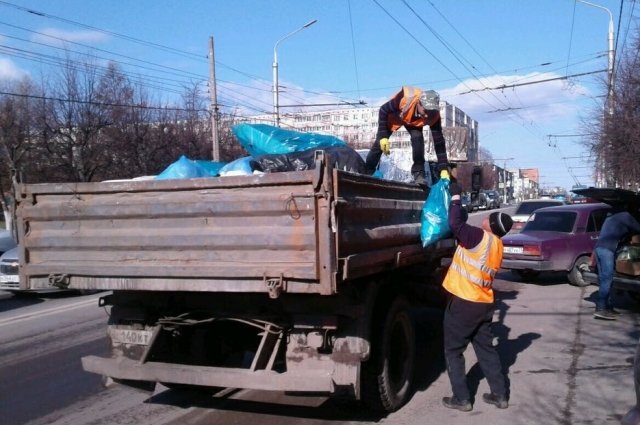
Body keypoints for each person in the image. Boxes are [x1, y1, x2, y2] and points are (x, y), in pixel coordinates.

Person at [440, 177, 512, 412]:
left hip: (464, 302)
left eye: (488, 219)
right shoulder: (497, 245)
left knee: (453, 351)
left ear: (491, 225)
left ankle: (462, 399)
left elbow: (454, 223)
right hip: (483, 303)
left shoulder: (478, 237)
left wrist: (456, 196)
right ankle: (500, 395)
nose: (485, 219)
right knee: (486, 350)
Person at [364, 86, 449, 188]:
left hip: (413, 123)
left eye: (430, 112)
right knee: (379, 144)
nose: (427, 115)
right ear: (419, 103)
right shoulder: (403, 99)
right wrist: (383, 136)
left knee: (418, 139)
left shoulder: (434, 116)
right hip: (395, 117)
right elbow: (383, 110)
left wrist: (443, 168)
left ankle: (419, 174)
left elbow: (439, 142)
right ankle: (367, 171)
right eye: (425, 111)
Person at [593, 207, 640, 320]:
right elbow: (638, 228)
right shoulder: (626, 216)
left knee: (603, 278)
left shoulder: (610, 218)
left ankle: (607, 307)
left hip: (598, 248)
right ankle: (601, 309)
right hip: (607, 250)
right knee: (607, 279)